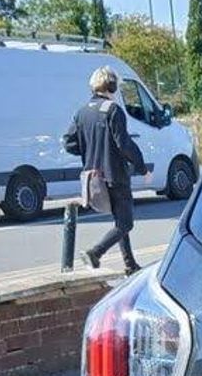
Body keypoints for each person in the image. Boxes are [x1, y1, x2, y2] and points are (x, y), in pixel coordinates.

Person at [63, 66, 148, 274]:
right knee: (126, 224)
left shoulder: (82, 112)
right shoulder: (112, 110)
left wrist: (90, 149)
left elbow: (69, 143)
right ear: (111, 85)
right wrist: (142, 167)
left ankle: (130, 264)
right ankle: (95, 252)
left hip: (93, 177)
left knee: (120, 221)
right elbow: (124, 144)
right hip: (114, 174)